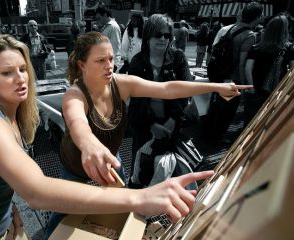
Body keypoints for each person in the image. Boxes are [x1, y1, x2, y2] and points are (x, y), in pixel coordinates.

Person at [0, 34, 217, 240]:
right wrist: (140, 197)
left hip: (6, 225)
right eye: (7, 73)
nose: (21, 79)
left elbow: (166, 87)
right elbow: (37, 190)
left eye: (23, 69)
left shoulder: (12, 114)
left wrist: (215, 86)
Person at [43, 31, 252, 237]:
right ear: (82, 65)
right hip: (75, 165)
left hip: (111, 159)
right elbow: (76, 121)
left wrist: (215, 87)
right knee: (62, 214)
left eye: (111, 58)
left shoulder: (120, 84)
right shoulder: (74, 95)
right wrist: (89, 144)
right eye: (100, 61)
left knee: (120, 207)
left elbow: (167, 88)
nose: (109, 65)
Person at [127, 14, 193, 169]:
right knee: (143, 168)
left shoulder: (178, 58)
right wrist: (151, 125)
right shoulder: (137, 62)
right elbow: (136, 99)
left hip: (172, 124)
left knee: (173, 168)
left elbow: (186, 90)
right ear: (148, 36)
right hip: (145, 126)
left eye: (167, 35)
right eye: (158, 34)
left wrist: (173, 119)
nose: (163, 39)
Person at [204, 1, 263, 144]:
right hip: (233, 77)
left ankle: (207, 132)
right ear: (257, 17)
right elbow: (242, 63)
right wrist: (242, 85)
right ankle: (217, 137)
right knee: (227, 110)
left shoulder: (232, 28)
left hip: (221, 73)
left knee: (217, 105)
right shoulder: (249, 35)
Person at [244, 14, 294, 126]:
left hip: (256, 88)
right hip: (276, 91)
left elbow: (248, 68)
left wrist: (251, 87)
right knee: (267, 123)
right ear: (285, 30)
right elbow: (293, 73)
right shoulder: (289, 49)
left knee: (250, 121)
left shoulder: (256, 47)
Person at [95, 5, 122, 71]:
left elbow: (115, 47)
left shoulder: (113, 27)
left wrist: (114, 64)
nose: (98, 21)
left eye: (99, 18)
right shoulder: (107, 26)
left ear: (105, 15)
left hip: (111, 63)